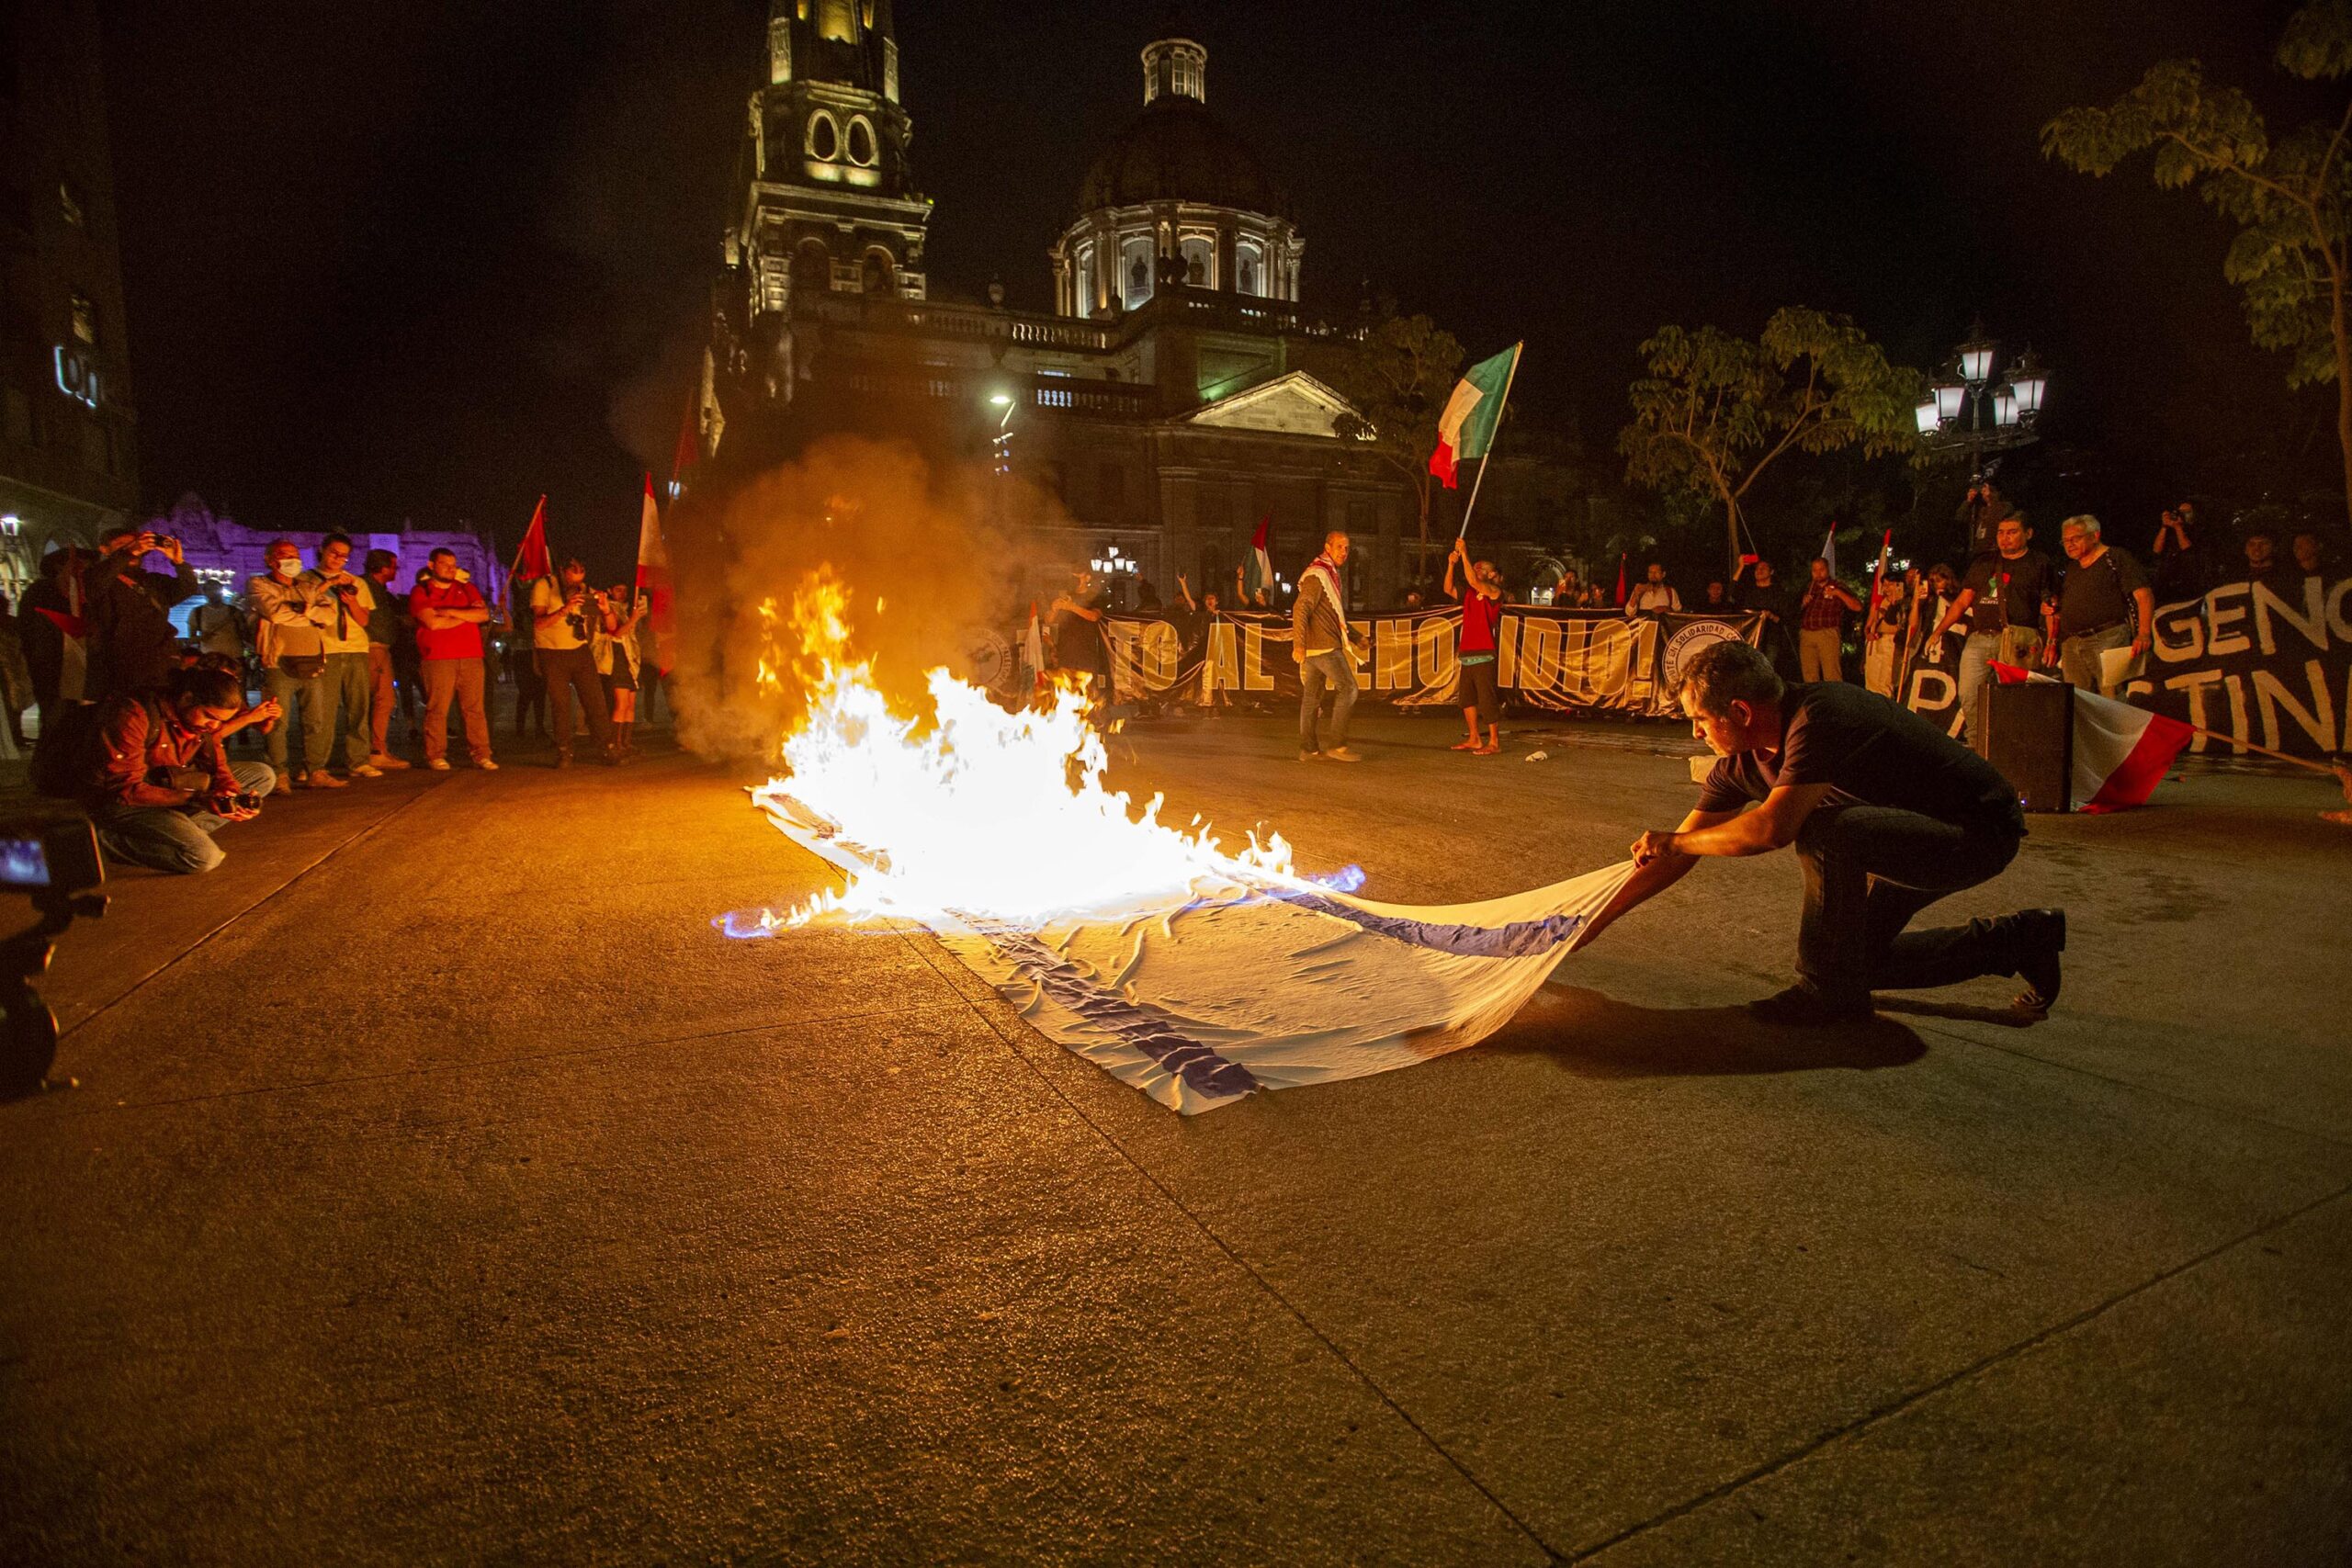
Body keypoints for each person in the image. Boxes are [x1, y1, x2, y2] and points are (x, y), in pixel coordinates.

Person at [1582, 639, 2063, 1025]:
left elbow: (1773, 829)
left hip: (1977, 833)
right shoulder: (1738, 767)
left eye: (1701, 720)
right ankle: (2019, 940)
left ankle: (1821, 991)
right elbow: (1672, 855)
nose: (1695, 735)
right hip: (1905, 838)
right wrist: (1587, 926)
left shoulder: (1821, 717)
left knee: (1827, 831)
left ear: (1741, 712)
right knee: (1855, 964)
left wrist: (1678, 840)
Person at [79, 664, 281, 874]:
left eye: (221, 722)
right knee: (203, 857)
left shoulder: (205, 726)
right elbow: (125, 789)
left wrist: (232, 795)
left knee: (261, 775)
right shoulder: (134, 714)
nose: (214, 726)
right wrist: (198, 798)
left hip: (172, 784)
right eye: (209, 717)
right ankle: (100, 844)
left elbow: (218, 767)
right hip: (123, 802)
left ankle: (180, 832)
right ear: (186, 699)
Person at [1925, 515, 2055, 727]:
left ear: (2027, 534)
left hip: (2017, 640)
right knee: (1969, 693)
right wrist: (1938, 632)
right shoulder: (1984, 563)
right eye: (2001, 532)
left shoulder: (2039, 563)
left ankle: (2009, 745)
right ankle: (1978, 745)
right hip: (1980, 638)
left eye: (2012, 532)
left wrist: (2051, 642)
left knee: (2013, 698)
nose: (2005, 538)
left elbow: (2051, 605)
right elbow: (1961, 602)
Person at [247, 538, 343, 791]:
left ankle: (316, 771)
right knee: (278, 722)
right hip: (277, 663)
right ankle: (279, 774)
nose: (292, 559)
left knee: (316, 722)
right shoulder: (259, 584)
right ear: (270, 559)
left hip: (312, 661)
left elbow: (329, 615)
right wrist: (310, 615)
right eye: (284, 554)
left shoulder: (307, 586)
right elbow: (275, 613)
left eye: (295, 555)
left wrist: (305, 611)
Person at [84, 525, 198, 703]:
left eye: (133, 543)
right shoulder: (98, 579)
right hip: (119, 666)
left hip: (159, 664)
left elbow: (188, 588)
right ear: (104, 550)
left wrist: (178, 563)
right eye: (122, 544)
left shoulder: (152, 581)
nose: (132, 548)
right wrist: (128, 553)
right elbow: (94, 584)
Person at [409, 547, 497, 771]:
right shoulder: (421, 591)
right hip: (438, 657)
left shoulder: (467, 589)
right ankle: (436, 754)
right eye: (444, 564)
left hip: (471, 656)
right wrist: (466, 616)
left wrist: (447, 612)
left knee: (474, 708)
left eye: (453, 564)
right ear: (431, 565)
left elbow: (484, 615)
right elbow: (432, 623)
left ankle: (481, 753)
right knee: (438, 708)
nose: (450, 568)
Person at [302, 532, 381, 779]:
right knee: (322, 712)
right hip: (325, 648)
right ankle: (315, 765)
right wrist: (325, 587)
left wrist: (352, 601)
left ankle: (358, 760)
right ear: (322, 550)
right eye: (334, 553)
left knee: (359, 706)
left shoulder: (356, 582)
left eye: (344, 556)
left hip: (356, 648)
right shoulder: (305, 580)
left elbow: (364, 619)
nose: (338, 559)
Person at [2048, 515, 2154, 696]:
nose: (2070, 544)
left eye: (2076, 538)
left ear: (2095, 535)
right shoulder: (2073, 568)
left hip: (2107, 638)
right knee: (2080, 703)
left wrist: (2144, 633)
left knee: (2111, 698)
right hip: (2073, 643)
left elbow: (2143, 595)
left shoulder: (2115, 557)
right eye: (2065, 540)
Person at [529, 558, 618, 767]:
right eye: (573, 574)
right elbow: (539, 623)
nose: (577, 580)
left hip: (580, 650)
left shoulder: (586, 589)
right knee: (561, 704)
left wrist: (605, 608)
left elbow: (612, 626)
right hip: (552, 652)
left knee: (595, 700)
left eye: (582, 573)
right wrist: (565, 608)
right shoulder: (545, 585)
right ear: (562, 571)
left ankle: (607, 747)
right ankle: (564, 751)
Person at [1293, 530, 1360, 761]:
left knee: (1311, 698)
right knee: (1349, 688)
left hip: (1317, 647)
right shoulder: (1318, 575)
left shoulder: (1327, 574)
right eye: (1340, 546)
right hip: (1323, 647)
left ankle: (1308, 749)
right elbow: (1301, 608)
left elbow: (1332, 615)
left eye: (1347, 548)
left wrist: (1356, 637)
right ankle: (1337, 745)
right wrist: (1298, 644)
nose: (1344, 551)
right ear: (1327, 548)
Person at [1446, 536, 1504, 754]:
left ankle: (1495, 743)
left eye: (1482, 568)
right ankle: (1474, 738)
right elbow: (1448, 588)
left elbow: (1472, 580)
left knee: (1486, 699)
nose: (1477, 568)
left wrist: (1465, 554)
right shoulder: (1470, 592)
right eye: (1475, 566)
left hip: (1484, 653)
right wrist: (1452, 564)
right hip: (1467, 652)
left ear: (1491, 574)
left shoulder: (1493, 592)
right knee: (1467, 699)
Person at [356, 549, 411, 771]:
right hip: (372, 649)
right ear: (383, 567)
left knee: (381, 700)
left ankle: (376, 748)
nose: (396, 571)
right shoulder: (364, 586)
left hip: (381, 649)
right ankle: (374, 750)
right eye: (394, 566)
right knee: (379, 700)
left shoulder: (381, 591)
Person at [599, 581, 648, 758]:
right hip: (617, 659)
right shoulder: (607, 608)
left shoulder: (626, 608)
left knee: (631, 705)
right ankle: (615, 743)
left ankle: (626, 742)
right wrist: (634, 618)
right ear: (610, 590)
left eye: (625, 590)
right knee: (621, 704)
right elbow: (617, 633)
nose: (622, 593)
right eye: (618, 589)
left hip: (631, 659)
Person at [1795, 557, 1861, 682]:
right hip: (1807, 633)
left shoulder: (1838, 586)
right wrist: (1803, 603)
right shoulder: (1809, 587)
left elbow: (1857, 606)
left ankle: (1833, 698)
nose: (1818, 573)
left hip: (1827, 633)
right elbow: (1794, 609)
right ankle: (1814, 698)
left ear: (1828, 570)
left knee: (1831, 673)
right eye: (1814, 570)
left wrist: (1838, 593)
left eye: (1821, 569)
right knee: (1809, 674)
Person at [2150, 502, 2211, 602]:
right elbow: (2157, 550)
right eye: (2180, 512)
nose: (2182, 515)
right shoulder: (2170, 531)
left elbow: (2188, 550)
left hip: (2191, 583)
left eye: (2187, 512)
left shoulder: (2200, 530)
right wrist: (2165, 526)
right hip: (2168, 584)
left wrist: (2178, 527)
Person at [1860, 574, 1907, 698]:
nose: (1886, 588)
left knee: (1885, 678)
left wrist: (1893, 605)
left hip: (1890, 641)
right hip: (1876, 641)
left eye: (1889, 584)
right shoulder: (1880, 601)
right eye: (1884, 585)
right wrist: (1868, 633)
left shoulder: (1904, 601)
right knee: (1872, 678)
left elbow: (1897, 623)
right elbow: (1869, 624)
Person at [1957, 479, 2019, 560]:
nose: (1987, 493)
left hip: (1996, 553)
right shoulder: (1980, 510)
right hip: (1978, 554)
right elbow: (1960, 519)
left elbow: (1996, 519)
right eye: (1985, 490)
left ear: (1999, 493)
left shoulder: (2006, 507)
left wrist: (1992, 500)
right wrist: (1968, 501)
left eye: (1991, 491)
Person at [2237, 527, 2302, 598]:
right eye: (2252, 544)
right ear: (2245, 550)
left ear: (2274, 548)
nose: (2257, 548)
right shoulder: (2236, 578)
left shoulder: (2288, 577)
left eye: (2264, 543)